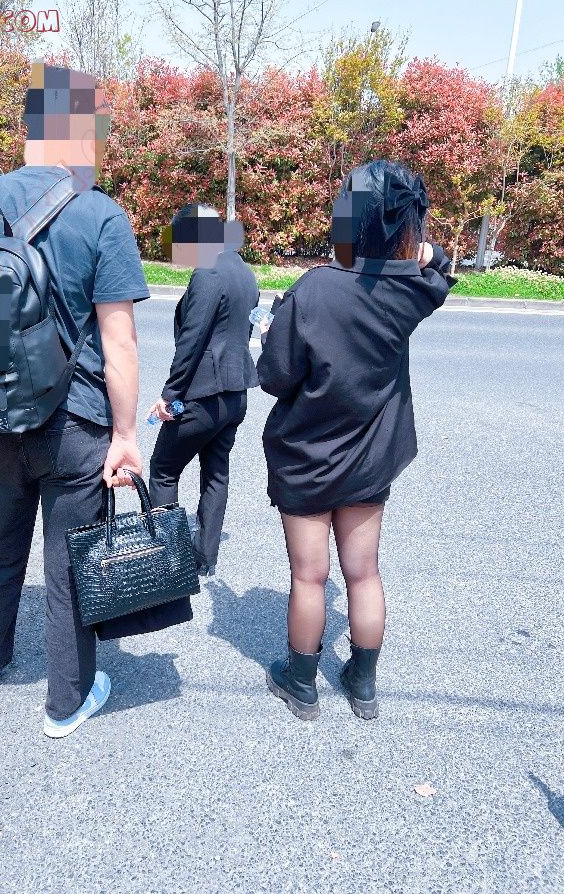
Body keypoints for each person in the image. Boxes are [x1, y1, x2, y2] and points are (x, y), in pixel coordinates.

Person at [0, 62, 152, 738]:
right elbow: (119, 343)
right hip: (76, 423)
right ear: (82, 133)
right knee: (69, 565)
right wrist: (126, 436)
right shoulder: (100, 215)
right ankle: (68, 702)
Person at [258, 159, 456, 722]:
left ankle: (301, 684)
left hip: (307, 457)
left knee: (308, 575)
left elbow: (275, 377)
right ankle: (363, 684)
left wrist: (273, 330)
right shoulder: (409, 291)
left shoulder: (315, 289)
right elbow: (439, 268)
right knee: (363, 572)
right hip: (371, 457)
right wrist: (419, 250)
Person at [147, 204, 260, 578]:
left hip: (200, 397)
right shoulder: (242, 270)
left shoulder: (207, 273)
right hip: (236, 394)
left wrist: (169, 396)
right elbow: (242, 331)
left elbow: (191, 342)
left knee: (164, 470)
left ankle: (170, 561)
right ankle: (204, 556)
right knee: (215, 473)